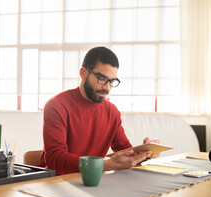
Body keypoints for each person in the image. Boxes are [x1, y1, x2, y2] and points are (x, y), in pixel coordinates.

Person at [41, 46, 159, 175]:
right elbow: (55, 160)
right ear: (83, 73)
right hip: (58, 182)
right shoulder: (56, 106)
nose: (107, 88)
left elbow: (124, 151)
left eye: (112, 81)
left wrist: (145, 152)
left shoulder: (112, 111)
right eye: (101, 79)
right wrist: (106, 165)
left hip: (93, 181)